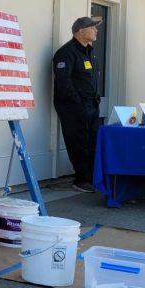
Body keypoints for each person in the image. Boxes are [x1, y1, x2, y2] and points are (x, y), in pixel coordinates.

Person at [53, 16, 102, 193]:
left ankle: (91, 177)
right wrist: (78, 103)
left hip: (91, 104)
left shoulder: (90, 51)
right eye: (92, 28)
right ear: (81, 31)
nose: (96, 30)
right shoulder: (66, 53)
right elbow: (64, 83)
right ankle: (81, 179)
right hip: (73, 106)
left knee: (92, 140)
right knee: (78, 141)